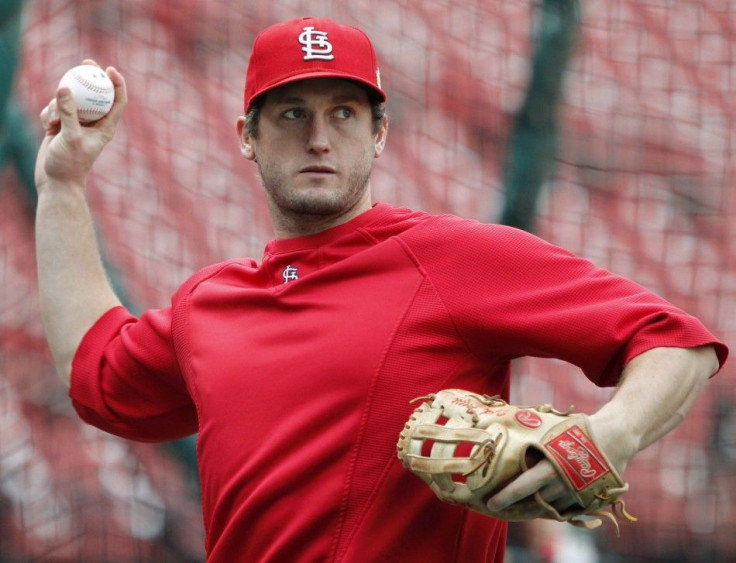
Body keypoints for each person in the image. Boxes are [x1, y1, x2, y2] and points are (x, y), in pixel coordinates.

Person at [34, 16, 728, 563]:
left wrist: (612, 433)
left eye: (344, 112)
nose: (318, 137)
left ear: (380, 132)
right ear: (246, 136)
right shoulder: (208, 304)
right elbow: (95, 372)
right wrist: (62, 184)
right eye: (290, 113)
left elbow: (677, 341)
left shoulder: (450, 259)